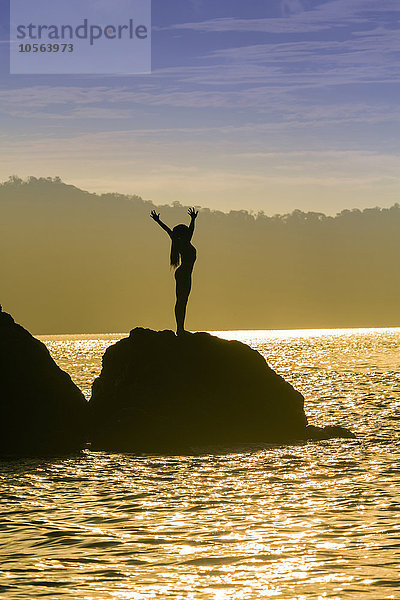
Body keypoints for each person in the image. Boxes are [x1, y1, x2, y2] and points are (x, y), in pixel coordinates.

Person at [150, 207, 198, 336]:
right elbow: (190, 230)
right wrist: (193, 219)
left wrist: (158, 221)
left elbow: (167, 230)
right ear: (184, 234)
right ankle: (180, 329)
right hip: (184, 273)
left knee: (181, 301)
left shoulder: (178, 241)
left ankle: (180, 328)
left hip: (181, 273)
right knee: (182, 301)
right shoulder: (185, 242)